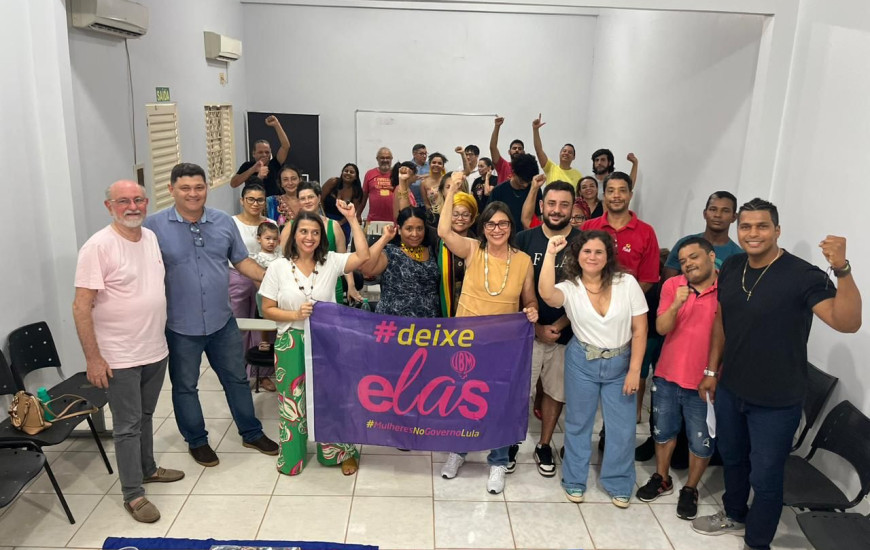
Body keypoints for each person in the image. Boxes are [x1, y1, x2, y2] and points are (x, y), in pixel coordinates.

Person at [693, 198, 862, 550]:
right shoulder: (733, 265)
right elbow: (722, 320)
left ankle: (757, 542)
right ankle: (734, 513)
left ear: (777, 230)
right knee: (733, 459)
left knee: (766, 476)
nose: (753, 233)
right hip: (731, 388)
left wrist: (843, 269)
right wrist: (711, 368)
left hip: (776, 400)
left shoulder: (803, 275)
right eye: (746, 226)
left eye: (762, 226)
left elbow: (846, 322)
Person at [144, 163, 278, 468]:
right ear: (171, 190)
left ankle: (251, 432)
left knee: (237, 379)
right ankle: (197, 441)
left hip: (222, 321)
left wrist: (276, 281)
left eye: (199, 187)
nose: (193, 194)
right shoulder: (153, 227)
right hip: (180, 326)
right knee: (185, 387)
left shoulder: (222, 222)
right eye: (185, 188)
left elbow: (242, 261)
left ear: (206, 188)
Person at [72, 180, 185, 524]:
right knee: (127, 425)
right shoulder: (98, 247)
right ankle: (133, 494)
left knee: (146, 416)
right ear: (109, 207)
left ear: (147, 202)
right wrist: (93, 359)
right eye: (123, 201)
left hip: (154, 348)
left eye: (138, 199)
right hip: (118, 356)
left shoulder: (149, 237)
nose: (132, 206)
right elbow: (81, 306)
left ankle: (148, 468)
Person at [437, 172, 539, 495]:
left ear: (511, 227)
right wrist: (452, 191)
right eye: (491, 224)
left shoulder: (523, 261)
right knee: (462, 398)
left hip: (503, 345)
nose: (497, 229)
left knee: (498, 402)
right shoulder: (471, 249)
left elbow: (530, 299)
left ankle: (498, 461)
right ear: (482, 228)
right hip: (466, 342)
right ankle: (458, 451)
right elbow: (443, 231)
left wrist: (532, 310)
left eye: (503, 224)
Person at [259, 203, 372, 476]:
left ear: (322, 237)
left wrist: (352, 219)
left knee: (331, 397)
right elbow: (267, 308)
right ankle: (292, 457)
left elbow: (363, 255)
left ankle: (339, 453)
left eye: (315, 232)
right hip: (291, 341)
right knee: (292, 401)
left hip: (326, 340)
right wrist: (294, 314)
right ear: (293, 235)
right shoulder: (278, 267)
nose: (309, 237)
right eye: (303, 231)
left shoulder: (330, 261)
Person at [538, 230, 648, 508]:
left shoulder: (627, 283)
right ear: (577, 255)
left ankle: (618, 482)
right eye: (586, 251)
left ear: (608, 256)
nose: (592, 257)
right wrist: (550, 253)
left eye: (599, 251)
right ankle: (574, 480)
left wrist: (635, 370)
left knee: (622, 428)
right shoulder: (570, 287)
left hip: (621, 363)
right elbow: (547, 294)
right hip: (582, 361)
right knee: (578, 423)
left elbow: (640, 329)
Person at [635, 237, 719, 521]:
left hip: (704, 382)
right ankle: (662, 478)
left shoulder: (726, 289)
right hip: (668, 375)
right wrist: (675, 305)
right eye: (683, 261)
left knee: (700, 441)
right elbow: (661, 327)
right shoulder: (673, 286)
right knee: (663, 432)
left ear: (711, 256)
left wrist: (715, 374)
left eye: (694, 257)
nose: (688, 264)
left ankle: (691, 489)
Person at [516, 180, 580, 478]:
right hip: (526, 332)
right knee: (520, 392)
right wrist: (536, 326)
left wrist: (558, 324)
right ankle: (511, 442)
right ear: (541, 206)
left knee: (556, 392)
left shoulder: (583, 242)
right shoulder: (524, 239)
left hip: (566, 333)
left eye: (564, 205)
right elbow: (514, 287)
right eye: (551, 203)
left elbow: (587, 289)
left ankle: (544, 444)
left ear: (572, 208)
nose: (557, 210)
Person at [280, 181, 362, 304]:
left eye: (310, 197)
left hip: (332, 287)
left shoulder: (333, 226)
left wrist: (351, 286)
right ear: (299, 202)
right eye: (303, 198)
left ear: (318, 198)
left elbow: (344, 260)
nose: (307, 201)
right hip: (298, 289)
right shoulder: (290, 227)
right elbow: (283, 259)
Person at [230, 184, 276, 392]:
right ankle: (238, 374)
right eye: (251, 199)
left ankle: (262, 374)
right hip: (236, 279)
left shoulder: (270, 224)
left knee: (263, 328)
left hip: (264, 280)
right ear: (242, 201)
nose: (255, 203)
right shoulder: (232, 223)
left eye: (260, 199)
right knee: (238, 327)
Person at [582, 172, 660, 292]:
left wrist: (624, 300)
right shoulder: (588, 227)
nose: (616, 196)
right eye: (611, 191)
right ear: (604, 196)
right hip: (589, 298)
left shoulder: (646, 232)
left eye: (622, 190)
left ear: (630, 195)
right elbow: (577, 267)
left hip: (630, 301)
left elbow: (648, 278)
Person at [362, 207, 440, 318]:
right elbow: (366, 268)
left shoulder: (432, 250)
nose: (415, 234)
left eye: (419, 228)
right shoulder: (391, 252)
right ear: (399, 229)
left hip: (428, 323)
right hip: (394, 321)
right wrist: (385, 238)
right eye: (409, 229)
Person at [663, 191, 742, 279]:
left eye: (725, 211)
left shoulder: (739, 256)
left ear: (734, 217)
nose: (718, 215)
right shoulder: (684, 244)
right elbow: (666, 284)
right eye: (713, 209)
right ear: (705, 214)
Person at [436, 191, 478, 317]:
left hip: (471, 310)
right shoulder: (437, 242)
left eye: (465, 215)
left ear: (472, 218)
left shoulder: (479, 244)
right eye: (455, 214)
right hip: (441, 310)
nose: (460, 219)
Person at [230, 115, 290, 197]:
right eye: (260, 152)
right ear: (253, 154)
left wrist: (277, 125)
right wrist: (253, 169)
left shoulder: (275, 163)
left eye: (267, 152)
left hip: (275, 202)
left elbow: (285, 146)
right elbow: (233, 184)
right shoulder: (247, 166)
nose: (264, 155)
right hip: (255, 202)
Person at [489, 153, 540, 232]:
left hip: (527, 234)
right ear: (513, 172)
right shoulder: (498, 191)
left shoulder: (534, 189)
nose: (525, 185)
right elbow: (489, 217)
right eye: (521, 181)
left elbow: (539, 216)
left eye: (528, 181)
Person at [532, 114, 582, 189]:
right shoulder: (550, 167)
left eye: (570, 152)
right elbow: (539, 150)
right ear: (560, 153)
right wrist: (535, 130)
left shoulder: (578, 175)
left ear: (574, 157)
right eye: (564, 151)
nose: (566, 153)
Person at [322, 163, 364, 242]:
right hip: (325, 218)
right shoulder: (332, 182)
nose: (348, 173)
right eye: (346, 171)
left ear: (356, 177)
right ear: (342, 173)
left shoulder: (357, 191)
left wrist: (340, 223)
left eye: (351, 172)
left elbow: (353, 212)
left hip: (344, 222)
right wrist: (324, 218)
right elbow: (320, 200)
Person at [361, 147, 395, 228]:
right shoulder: (369, 174)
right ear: (377, 159)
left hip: (394, 221)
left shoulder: (396, 174)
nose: (385, 160)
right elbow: (364, 197)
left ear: (391, 159)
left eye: (388, 158)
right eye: (382, 158)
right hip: (373, 221)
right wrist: (358, 214)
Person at [489, 116, 525, 181]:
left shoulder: (527, 169)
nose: (517, 150)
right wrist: (497, 126)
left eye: (520, 149)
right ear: (509, 152)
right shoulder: (503, 165)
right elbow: (493, 147)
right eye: (514, 148)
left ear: (524, 152)